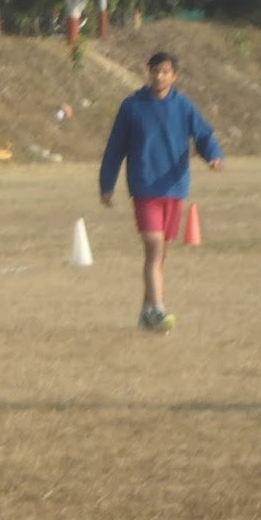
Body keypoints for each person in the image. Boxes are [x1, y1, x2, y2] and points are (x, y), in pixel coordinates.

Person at [98, 51, 223, 331]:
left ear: (174, 76)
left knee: (160, 253)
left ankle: (146, 312)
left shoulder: (183, 106)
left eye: (165, 72)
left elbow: (203, 135)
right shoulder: (132, 106)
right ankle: (157, 310)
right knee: (154, 246)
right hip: (144, 187)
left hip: (174, 188)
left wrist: (213, 156)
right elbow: (115, 147)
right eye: (155, 71)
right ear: (149, 73)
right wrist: (107, 184)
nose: (159, 76)